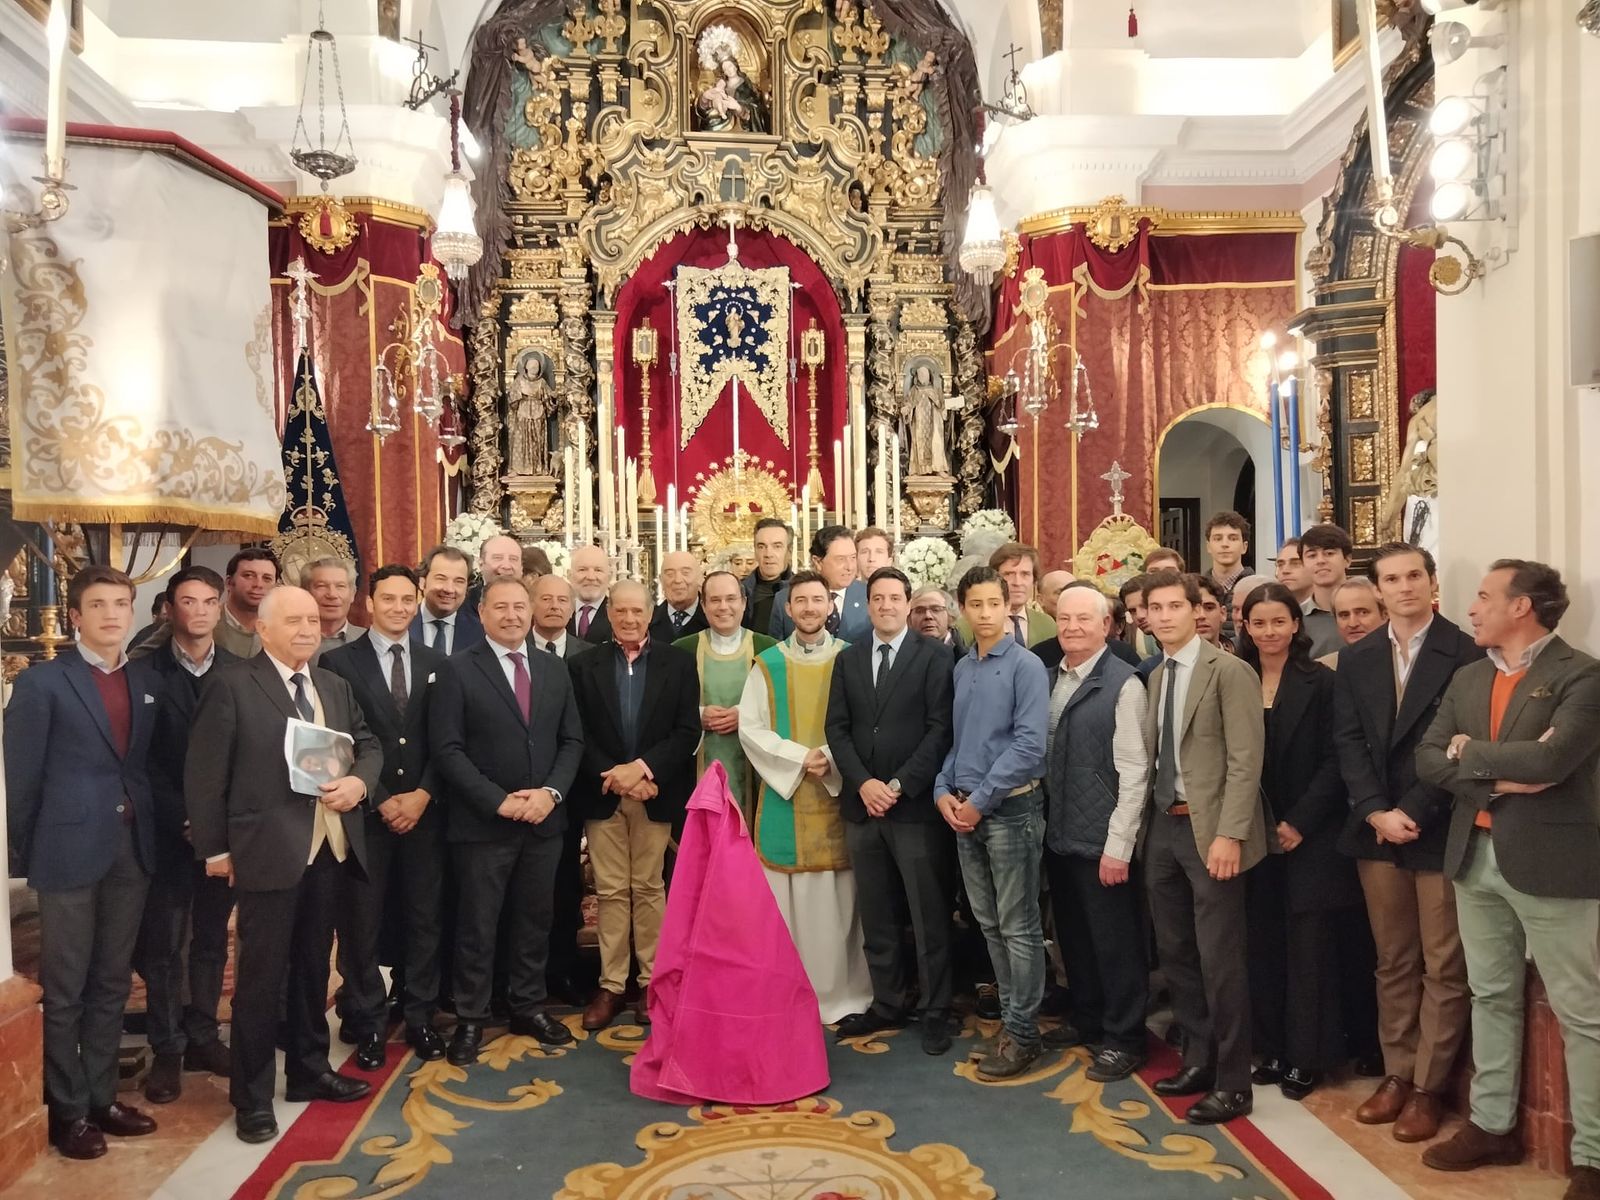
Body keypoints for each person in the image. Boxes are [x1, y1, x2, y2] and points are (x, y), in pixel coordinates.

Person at [1416, 561, 1600, 1193]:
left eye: (1486, 596)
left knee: (1582, 1013)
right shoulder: (1469, 676)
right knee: (1489, 995)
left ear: (1522, 607)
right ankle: (1493, 1125)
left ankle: (1592, 1155)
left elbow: (1555, 758)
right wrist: (1503, 773)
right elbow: (1427, 757)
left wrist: (1472, 755)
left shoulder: (1581, 675)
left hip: (1552, 864)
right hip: (1476, 857)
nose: (1472, 607)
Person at [185, 586, 384, 1144]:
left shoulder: (333, 685)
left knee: (313, 969)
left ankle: (308, 1069)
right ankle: (251, 1097)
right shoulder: (231, 685)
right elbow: (205, 778)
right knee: (260, 979)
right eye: (292, 620)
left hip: (330, 849)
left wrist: (358, 782)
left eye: (313, 619)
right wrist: (216, 850)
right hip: (266, 852)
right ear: (262, 629)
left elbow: (368, 746)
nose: (306, 628)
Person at [6, 566, 163, 1160]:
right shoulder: (43, 683)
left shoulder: (145, 680)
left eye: (121, 604)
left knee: (111, 980)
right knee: (67, 986)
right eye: (98, 605)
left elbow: (143, 764)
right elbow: (21, 781)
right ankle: (67, 1109)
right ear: (76, 616)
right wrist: (30, 853)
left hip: (132, 846)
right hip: (67, 849)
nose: (112, 615)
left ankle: (102, 1097)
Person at [1333, 542, 1477, 1143]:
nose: (1404, 587)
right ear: (1378, 590)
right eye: (1391, 579)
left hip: (1436, 824)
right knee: (1393, 959)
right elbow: (1348, 742)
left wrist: (1410, 810)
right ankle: (1395, 1072)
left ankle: (1428, 1087)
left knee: (1443, 963)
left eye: (1414, 575)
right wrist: (1373, 811)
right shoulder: (1359, 655)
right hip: (1376, 830)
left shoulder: (1465, 653)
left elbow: (1460, 743)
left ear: (1431, 580)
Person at [430, 577, 583, 1064]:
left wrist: (551, 794)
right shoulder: (457, 671)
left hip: (542, 821)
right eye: (503, 608)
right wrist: (497, 801)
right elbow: (448, 750)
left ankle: (527, 1005)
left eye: (521, 607)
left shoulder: (554, 669)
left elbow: (571, 741)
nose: (514, 616)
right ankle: (472, 1018)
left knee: (534, 921)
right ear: (482, 612)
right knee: (477, 925)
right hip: (483, 825)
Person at [1140, 569, 1267, 1124]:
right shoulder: (1156, 676)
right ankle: (1198, 1059)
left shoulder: (1229, 672)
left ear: (1198, 611)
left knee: (1221, 961)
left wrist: (1230, 834)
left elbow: (1245, 762)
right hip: (1164, 828)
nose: (1165, 616)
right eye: (1155, 608)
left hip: (1212, 830)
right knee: (1177, 955)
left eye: (1175, 606)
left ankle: (1236, 1082)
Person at [321, 564, 453, 1065]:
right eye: (388, 599)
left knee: (424, 918)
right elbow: (340, 743)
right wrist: (378, 797)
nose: (398, 608)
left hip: (425, 813)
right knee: (362, 923)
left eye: (407, 599)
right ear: (368, 604)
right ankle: (369, 1022)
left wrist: (422, 795)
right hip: (365, 816)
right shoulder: (337, 664)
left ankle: (419, 1016)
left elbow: (448, 741)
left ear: (417, 603)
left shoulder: (438, 660)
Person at [824, 567, 957, 1054]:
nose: (885, 605)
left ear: (907, 604)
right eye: (876, 598)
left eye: (894, 598)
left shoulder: (936, 658)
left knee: (928, 914)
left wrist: (898, 784)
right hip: (864, 808)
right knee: (876, 912)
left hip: (913, 807)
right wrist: (864, 784)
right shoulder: (850, 657)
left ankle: (937, 1009)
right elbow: (837, 728)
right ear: (868, 603)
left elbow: (940, 730)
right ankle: (888, 1001)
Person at [1238, 583, 1361, 1103]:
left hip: (1310, 833)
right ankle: (1269, 1048)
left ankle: (1307, 1056)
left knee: (1308, 948)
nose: (1269, 632)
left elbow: (1339, 761)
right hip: (1252, 831)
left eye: (1278, 622)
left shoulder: (1323, 682)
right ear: (1245, 627)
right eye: (1258, 623)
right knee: (1261, 944)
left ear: (1296, 625)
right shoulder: (1235, 678)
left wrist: (1299, 822)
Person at [740, 570, 872, 1022]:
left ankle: (843, 995)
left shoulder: (852, 659)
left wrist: (832, 760)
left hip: (840, 792)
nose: (811, 608)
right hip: (788, 793)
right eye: (801, 601)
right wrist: (801, 758)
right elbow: (750, 728)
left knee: (839, 908)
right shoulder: (768, 664)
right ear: (789, 608)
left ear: (829, 606)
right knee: (788, 908)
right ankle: (789, 994)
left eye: (818, 600)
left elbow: (865, 725)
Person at [569, 581, 702, 1030]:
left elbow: (686, 732)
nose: (629, 619)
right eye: (620, 611)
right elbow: (576, 734)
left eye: (637, 611)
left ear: (651, 613)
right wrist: (617, 776)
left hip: (655, 792)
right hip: (603, 792)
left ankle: (650, 981)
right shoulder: (582, 665)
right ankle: (610, 984)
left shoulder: (679, 662)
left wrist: (643, 771)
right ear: (609, 613)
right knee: (609, 891)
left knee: (648, 888)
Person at [934, 565, 1050, 1080]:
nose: (984, 614)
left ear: (1009, 607)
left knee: (1019, 927)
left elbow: (1029, 745)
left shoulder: (1025, 666)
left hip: (1009, 810)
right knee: (989, 925)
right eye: (975, 605)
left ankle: (1025, 1034)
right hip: (966, 809)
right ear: (963, 609)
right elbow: (959, 743)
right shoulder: (963, 669)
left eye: (993, 604)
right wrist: (943, 789)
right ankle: (1010, 1020)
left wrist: (979, 799)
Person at [131, 567, 239, 1105]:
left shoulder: (244, 672)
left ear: (220, 609)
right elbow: (140, 761)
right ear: (170, 609)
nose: (199, 611)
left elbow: (250, 756)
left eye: (209, 601)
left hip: (223, 833)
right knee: (165, 945)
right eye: (188, 601)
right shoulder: (144, 672)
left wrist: (217, 820)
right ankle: (167, 1047)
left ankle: (202, 1035)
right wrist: (186, 817)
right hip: (170, 830)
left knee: (212, 939)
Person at [1039, 584, 1151, 1082]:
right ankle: (1086, 1019)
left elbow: (1136, 774)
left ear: (1107, 625)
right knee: (1075, 939)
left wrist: (1119, 847)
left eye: (1084, 619)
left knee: (1115, 943)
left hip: (1104, 840)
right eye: (1064, 619)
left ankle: (1124, 1036)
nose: (1072, 628)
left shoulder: (1124, 684)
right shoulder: (1048, 679)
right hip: (1060, 833)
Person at [525, 573, 594, 1003]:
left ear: (572, 608)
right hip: (518, 789)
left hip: (573, 786)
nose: (553, 606)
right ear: (532, 604)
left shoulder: (589, 655)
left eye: (561, 600)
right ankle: (518, 978)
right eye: (544, 599)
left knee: (566, 884)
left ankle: (564, 969)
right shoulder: (513, 650)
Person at [677, 570, 775, 818]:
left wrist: (746, 716)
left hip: (755, 768)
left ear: (743, 603)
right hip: (693, 766)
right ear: (703, 605)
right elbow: (663, 710)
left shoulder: (769, 650)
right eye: (715, 600)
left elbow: (782, 710)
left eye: (731, 599)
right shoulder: (681, 651)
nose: (723, 607)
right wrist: (697, 716)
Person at [770, 526, 870, 641]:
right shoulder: (783, 599)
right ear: (818, 562)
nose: (850, 567)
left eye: (853, 558)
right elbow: (775, 651)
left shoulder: (869, 596)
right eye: (841, 559)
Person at [410, 544, 484, 656]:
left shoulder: (481, 633)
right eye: (441, 579)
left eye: (459, 581)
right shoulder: (402, 623)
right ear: (422, 582)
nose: (449, 589)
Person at [1298, 524, 1353, 656]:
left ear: (1347, 559)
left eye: (1329, 553)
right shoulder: (1295, 618)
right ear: (1303, 563)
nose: (1320, 561)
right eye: (1312, 555)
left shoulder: (1373, 609)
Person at [214, 547, 278, 658]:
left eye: (267, 578)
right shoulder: (208, 623)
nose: (258, 584)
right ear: (229, 583)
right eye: (248, 576)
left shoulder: (282, 628)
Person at [1204, 511, 1252, 641]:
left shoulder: (1258, 588)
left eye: (1233, 538)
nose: (1225, 544)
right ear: (1208, 546)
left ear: (1244, 547)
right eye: (1218, 538)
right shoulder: (1196, 589)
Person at [742, 517, 792, 634]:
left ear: (789, 551)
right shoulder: (740, 591)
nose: (768, 554)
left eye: (777, 546)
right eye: (761, 546)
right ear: (755, 551)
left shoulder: (802, 590)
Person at [1322, 577, 1385, 667]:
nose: (1353, 623)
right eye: (1344, 615)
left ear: (1385, 614)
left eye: (1363, 613)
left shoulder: (1405, 663)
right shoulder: (1325, 669)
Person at [308, 556, 362, 662]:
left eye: (340, 586)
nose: (332, 594)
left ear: (353, 594)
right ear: (306, 592)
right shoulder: (286, 641)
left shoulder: (370, 641)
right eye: (321, 586)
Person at [650, 550, 709, 643]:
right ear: (661, 580)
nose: (677, 580)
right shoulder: (648, 620)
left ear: (700, 578)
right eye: (670, 574)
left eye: (685, 573)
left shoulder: (713, 618)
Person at [570, 543, 615, 643]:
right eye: (582, 569)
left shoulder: (618, 614)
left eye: (598, 570)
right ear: (570, 576)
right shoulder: (559, 611)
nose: (590, 577)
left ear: (609, 577)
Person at [910, 584, 960, 652]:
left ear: (950, 615)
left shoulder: (966, 658)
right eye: (920, 611)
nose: (928, 616)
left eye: (936, 610)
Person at [1192, 574, 1233, 653]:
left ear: (1223, 613)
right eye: (1193, 609)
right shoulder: (1166, 663)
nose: (1201, 615)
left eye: (1209, 608)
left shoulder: (1240, 664)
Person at [1274, 538, 1314, 611]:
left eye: (1295, 563)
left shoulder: (1335, 609)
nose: (1285, 571)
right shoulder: (1270, 611)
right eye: (1280, 564)